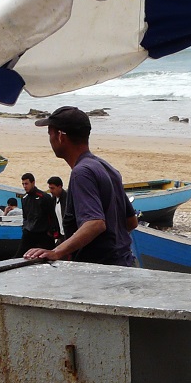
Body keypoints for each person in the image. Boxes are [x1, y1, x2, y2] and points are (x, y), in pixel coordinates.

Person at [24, 106, 137, 266]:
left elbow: (95, 223)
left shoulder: (81, 173)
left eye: (49, 133)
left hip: (101, 273)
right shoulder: (107, 168)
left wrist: (56, 251)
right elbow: (131, 222)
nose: (49, 139)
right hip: (126, 264)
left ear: (60, 136)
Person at [19, 172, 58, 253]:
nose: (24, 186)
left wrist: (51, 231)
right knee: (20, 255)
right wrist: (24, 228)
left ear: (33, 183)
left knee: (50, 256)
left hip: (43, 234)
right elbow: (25, 216)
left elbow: (52, 216)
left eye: (26, 184)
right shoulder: (24, 198)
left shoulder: (44, 197)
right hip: (29, 232)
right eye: (23, 184)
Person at [47, 176, 67, 241]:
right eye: (50, 188)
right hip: (60, 235)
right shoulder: (53, 200)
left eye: (53, 188)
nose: (51, 191)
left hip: (70, 234)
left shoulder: (68, 199)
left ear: (60, 187)